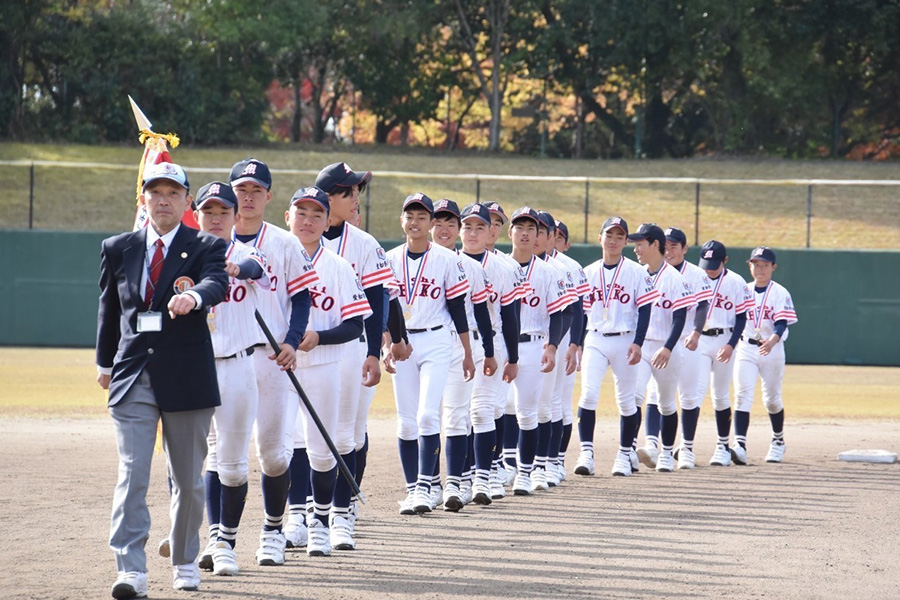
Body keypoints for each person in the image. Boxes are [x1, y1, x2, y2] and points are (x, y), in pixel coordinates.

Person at [96, 162, 228, 598]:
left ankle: (186, 558)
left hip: (187, 376)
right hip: (133, 374)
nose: (164, 199)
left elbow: (216, 283)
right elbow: (110, 309)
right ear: (143, 199)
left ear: (187, 202)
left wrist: (193, 296)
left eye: (174, 192)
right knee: (132, 473)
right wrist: (104, 363)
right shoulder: (118, 247)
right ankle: (130, 568)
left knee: (189, 479)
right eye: (156, 192)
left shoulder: (206, 243)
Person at [285, 163, 392, 550]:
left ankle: (340, 512)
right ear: (327, 198)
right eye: (349, 191)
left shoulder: (361, 245)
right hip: (294, 353)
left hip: (346, 351)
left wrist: (373, 352)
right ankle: (299, 513)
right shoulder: (287, 243)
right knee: (297, 435)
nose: (356, 198)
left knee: (345, 433)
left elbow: (377, 301)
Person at [226, 158, 317, 568]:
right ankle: (218, 540)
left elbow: (301, 297)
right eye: (241, 189)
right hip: (225, 357)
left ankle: (273, 531)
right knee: (220, 455)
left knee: (274, 454)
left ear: (268, 196)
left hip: (270, 356)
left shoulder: (283, 242)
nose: (248, 196)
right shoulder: (212, 236)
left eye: (256, 190)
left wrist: (293, 341)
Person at [191, 182, 270, 577]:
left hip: (238, 364)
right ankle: (212, 540)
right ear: (197, 215)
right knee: (200, 456)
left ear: (236, 217)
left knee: (235, 464)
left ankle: (226, 539)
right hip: (194, 367)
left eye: (225, 212)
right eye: (209, 211)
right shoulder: (182, 257)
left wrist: (235, 269)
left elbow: (257, 270)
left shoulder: (246, 251)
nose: (217, 218)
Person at [385, 193, 472, 514]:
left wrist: (466, 351)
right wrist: (387, 344)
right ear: (402, 221)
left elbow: (457, 308)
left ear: (431, 223)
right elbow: (386, 307)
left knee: (427, 415)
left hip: (437, 339)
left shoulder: (447, 260)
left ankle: (426, 486)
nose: (415, 222)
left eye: (422, 217)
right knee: (406, 422)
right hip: (403, 341)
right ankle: (415, 489)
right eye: (410, 216)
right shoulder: (390, 258)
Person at [576, 216, 658, 477]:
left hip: (625, 337)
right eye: (608, 235)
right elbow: (580, 314)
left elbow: (645, 309)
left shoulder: (636, 271)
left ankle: (625, 454)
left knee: (626, 399)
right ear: (600, 238)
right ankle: (586, 453)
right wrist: (576, 343)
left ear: (625, 241)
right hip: (595, 337)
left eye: (619, 236)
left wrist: (638, 342)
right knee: (588, 395)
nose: (613, 240)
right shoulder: (587, 272)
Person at [430, 199, 492, 510]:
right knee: (426, 416)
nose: (444, 229)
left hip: (461, 346)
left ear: (458, 230)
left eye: (450, 224)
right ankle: (426, 482)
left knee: (458, 414)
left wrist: (487, 352)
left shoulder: (470, 266)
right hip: (423, 345)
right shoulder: (404, 260)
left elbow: (480, 313)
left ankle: (456, 481)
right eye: (438, 222)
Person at [506, 207, 571, 494]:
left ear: (538, 236)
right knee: (495, 408)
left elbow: (561, 313)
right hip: (500, 344)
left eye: (530, 229)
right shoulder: (496, 266)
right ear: (511, 233)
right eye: (519, 228)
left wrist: (553, 346)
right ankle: (494, 469)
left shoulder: (547, 272)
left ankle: (525, 472)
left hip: (533, 343)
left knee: (527, 413)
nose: (525, 233)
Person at [459, 202, 520, 504]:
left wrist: (514, 357)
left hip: (492, 342)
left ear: (490, 232)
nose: (472, 233)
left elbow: (510, 316)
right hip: (457, 344)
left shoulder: (503, 268)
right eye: (467, 226)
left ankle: (485, 475)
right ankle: (467, 475)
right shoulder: (451, 262)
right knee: (461, 415)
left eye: (480, 227)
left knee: (486, 410)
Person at [626, 224, 693, 472]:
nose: (636, 249)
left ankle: (665, 453)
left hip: (668, 347)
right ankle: (629, 451)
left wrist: (668, 347)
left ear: (655, 244)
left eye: (640, 243)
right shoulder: (636, 274)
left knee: (666, 402)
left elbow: (680, 317)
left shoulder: (675, 278)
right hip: (642, 346)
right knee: (633, 397)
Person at [683, 240, 753, 467]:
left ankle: (723, 447)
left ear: (725, 261)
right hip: (699, 339)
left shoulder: (735, 282)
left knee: (721, 395)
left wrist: (732, 344)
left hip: (725, 338)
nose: (709, 267)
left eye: (715, 263)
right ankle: (687, 447)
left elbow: (742, 316)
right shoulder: (694, 277)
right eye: (706, 263)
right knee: (694, 393)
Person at [732, 246, 797, 464]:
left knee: (771, 399)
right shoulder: (743, 290)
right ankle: (739, 445)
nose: (760, 269)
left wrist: (772, 341)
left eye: (765, 265)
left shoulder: (780, 292)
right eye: (756, 264)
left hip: (772, 348)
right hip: (747, 347)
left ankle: (778, 441)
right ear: (750, 266)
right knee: (742, 394)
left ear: (773, 267)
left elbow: (781, 323)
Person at [657, 227, 713, 470]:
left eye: (674, 246)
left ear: (684, 249)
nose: (668, 250)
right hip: (660, 340)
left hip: (686, 340)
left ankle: (687, 448)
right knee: (657, 396)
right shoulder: (653, 271)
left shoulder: (696, 274)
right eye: (665, 245)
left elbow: (702, 306)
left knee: (689, 396)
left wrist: (697, 331)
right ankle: (654, 446)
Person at [532, 211, 579, 490]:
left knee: (550, 404)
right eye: (530, 230)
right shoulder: (512, 264)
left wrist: (573, 344)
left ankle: (550, 461)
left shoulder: (564, 268)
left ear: (551, 237)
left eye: (541, 232)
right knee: (518, 407)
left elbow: (575, 312)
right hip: (521, 342)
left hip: (555, 342)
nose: (535, 237)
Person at [551, 220, 588, 475]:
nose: (551, 238)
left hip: (563, 339)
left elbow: (579, 312)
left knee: (560, 403)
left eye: (557, 235)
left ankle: (557, 459)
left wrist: (575, 344)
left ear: (566, 243)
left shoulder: (570, 267)